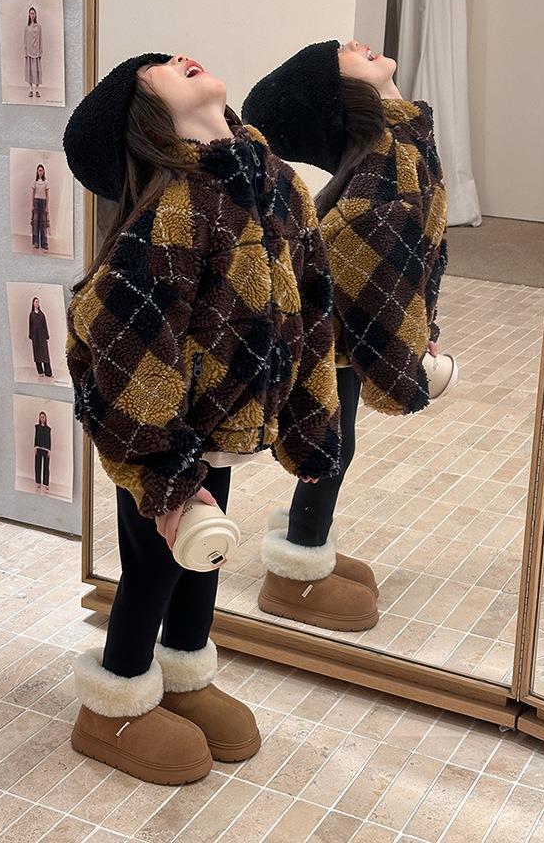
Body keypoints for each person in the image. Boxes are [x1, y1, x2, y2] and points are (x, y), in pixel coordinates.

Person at [63, 52, 344, 785]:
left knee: (203, 556)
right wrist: (165, 474)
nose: (177, 57)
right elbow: (116, 330)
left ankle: (184, 675)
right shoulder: (179, 202)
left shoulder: (278, 184)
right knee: (154, 564)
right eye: (155, 66)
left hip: (222, 430)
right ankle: (116, 696)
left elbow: (313, 306)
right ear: (143, 116)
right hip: (157, 431)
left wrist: (311, 423)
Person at [242, 39, 451, 631]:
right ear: (341, 97)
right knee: (332, 440)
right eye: (344, 55)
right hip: (331, 327)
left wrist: (423, 324)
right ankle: (297, 567)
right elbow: (374, 274)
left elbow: (420, 253)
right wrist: (406, 351)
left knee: (335, 436)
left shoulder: (402, 141)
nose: (357, 43)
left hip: (340, 323)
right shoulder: (387, 165)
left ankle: (306, 540)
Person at [29, 297, 52, 377]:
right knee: (37, 354)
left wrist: (46, 336)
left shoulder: (42, 314)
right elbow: (30, 326)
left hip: (42, 336)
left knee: (45, 354)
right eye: (36, 302)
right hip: (35, 337)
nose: (37, 303)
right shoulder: (31, 315)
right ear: (33, 303)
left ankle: (48, 373)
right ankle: (40, 372)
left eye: (38, 302)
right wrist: (31, 336)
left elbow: (45, 325)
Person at [24, 6, 42, 99]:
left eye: (33, 13)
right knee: (30, 71)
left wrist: (40, 52)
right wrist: (25, 52)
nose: (32, 15)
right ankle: (30, 90)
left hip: (37, 52)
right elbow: (25, 40)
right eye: (31, 13)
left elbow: (40, 39)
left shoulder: (38, 27)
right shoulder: (27, 27)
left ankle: (37, 90)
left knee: (37, 71)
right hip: (29, 52)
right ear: (29, 15)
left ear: (35, 15)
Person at [31, 164, 49, 249]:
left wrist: (47, 206)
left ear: (43, 171)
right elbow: (32, 194)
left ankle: (44, 243)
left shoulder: (46, 182)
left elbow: (47, 195)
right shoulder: (34, 182)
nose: (40, 172)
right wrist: (32, 205)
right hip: (36, 202)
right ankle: (36, 243)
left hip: (43, 202)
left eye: (41, 170)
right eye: (39, 170)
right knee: (35, 222)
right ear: (37, 172)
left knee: (43, 223)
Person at [34, 411, 50, 491]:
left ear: (45, 418)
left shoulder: (48, 429)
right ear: (39, 418)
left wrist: (49, 450)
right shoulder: (37, 427)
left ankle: (46, 484)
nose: (42, 418)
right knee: (38, 465)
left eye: (43, 417)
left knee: (46, 467)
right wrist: (35, 447)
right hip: (38, 448)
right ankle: (38, 482)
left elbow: (49, 439)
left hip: (46, 449)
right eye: (41, 417)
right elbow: (36, 437)